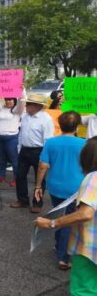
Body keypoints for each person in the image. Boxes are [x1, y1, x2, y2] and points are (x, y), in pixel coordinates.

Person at [35, 136, 97, 296]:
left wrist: (53, 223)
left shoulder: (93, 177)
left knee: (84, 293)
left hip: (91, 249)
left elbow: (86, 213)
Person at [34, 111, 86, 270]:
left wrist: (38, 186)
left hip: (55, 186)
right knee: (69, 220)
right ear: (77, 126)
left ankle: (58, 245)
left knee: (59, 213)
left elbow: (43, 166)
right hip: (76, 188)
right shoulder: (84, 144)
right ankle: (64, 257)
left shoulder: (51, 142)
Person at [10, 94, 55, 213]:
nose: (26, 106)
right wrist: (19, 149)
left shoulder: (46, 119)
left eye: (28, 104)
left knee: (39, 179)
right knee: (19, 176)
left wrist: (46, 158)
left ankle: (37, 203)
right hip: (24, 150)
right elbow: (21, 134)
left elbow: (48, 140)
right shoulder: (25, 117)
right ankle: (23, 200)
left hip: (39, 151)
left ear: (36, 106)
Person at [0, 92, 26, 187]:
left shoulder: (18, 110)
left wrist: (22, 90)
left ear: (14, 100)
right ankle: (1, 176)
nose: (8, 101)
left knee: (14, 160)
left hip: (11, 139)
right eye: (6, 99)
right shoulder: (1, 109)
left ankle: (17, 179)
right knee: (2, 159)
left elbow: (22, 100)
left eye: (10, 99)